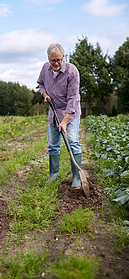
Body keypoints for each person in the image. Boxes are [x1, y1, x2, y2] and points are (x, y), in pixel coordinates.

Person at [37, 43, 82, 188]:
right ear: (48, 59)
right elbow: (41, 83)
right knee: (53, 145)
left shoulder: (72, 71)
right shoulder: (45, 68)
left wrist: (64, 121)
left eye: (59, 60)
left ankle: (77, 177)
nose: (56, 63)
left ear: (63, 57)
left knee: (73, 142)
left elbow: (72, 99)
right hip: (54, 110)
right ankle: (53, 175)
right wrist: (45, 95)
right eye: (53, 61)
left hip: (71, 112)